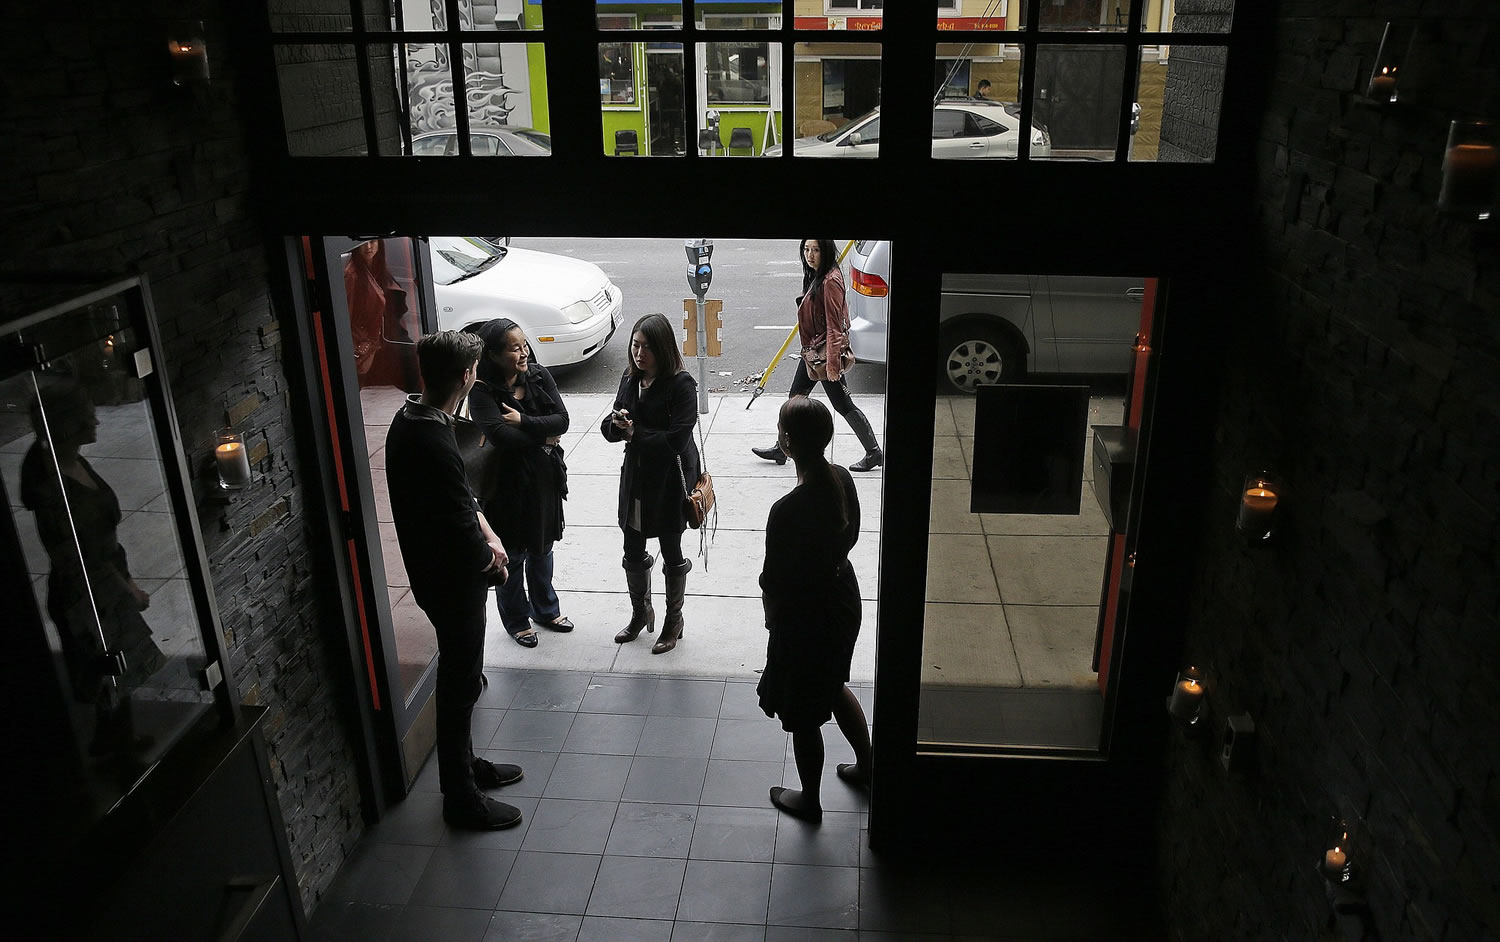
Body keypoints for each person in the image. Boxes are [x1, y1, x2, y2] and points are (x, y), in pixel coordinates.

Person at [385, 330, 524, 830]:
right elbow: (460, 524)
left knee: (462, 677)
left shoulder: (412, 418)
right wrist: (496, 564)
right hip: (450, 580)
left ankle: (466, 767)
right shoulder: (431, 438)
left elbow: (460, 499)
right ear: (467, 376)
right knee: (461, 682)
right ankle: (460, 797)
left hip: (436, 573)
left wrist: (486, 532)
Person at [21, 382, 165, 758]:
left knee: (116, 672)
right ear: (67, 424)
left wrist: (126, 580)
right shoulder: (52, 483)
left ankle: (117, 743)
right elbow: (81, 553)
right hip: (84, 592)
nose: (97, 421)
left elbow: (102, 541)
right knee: (106, 670)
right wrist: (126, 588)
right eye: (87, 416)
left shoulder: (73, 461)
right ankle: (115, 752)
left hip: (102, 585)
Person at [758, 396, 873, 824]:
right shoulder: (842, 478)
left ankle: (810, 798)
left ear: (786, 443)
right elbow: (852, 536)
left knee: (803, 711)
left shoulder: (787, 510)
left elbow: (774, 580)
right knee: (833, 684)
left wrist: (774, 621)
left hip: (805, 617)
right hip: (842, 598)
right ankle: (867, 767)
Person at [466, 318, 572, 649]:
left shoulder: (539, 375)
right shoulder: (481, 391)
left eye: (524, 344)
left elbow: (563, 421)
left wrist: (523, 421)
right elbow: (499, 436)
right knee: (511, 555)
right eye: (515, 348)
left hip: (543, 480)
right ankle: (516, 620)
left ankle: (545, 609)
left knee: (542, 548)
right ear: (494, 355)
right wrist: (542, 439)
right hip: (505, 486)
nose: (524, 352)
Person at [600, 312, 700, 655]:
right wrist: (617, 425)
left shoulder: (681, 384)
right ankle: (641, 612)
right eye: (635, 345)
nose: (639, 353)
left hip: (670, 482)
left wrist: (635, 433)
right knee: (632, 548)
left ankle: (674, 620)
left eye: (647, 347)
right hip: (638, 479)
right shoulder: (630, 379)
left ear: (663, 349)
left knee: (671, 551)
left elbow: (677, 440)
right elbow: (610, 428)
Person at [753, 239, 883, 472]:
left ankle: (873, 452)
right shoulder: (815, 275)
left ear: (826, 251)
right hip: (814, 353)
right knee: (795, 397)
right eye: (806, 250)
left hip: (825, 355)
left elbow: (835, 326)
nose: (810, 255)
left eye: (815, 250)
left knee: (843, 404)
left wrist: (833, 365)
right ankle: (781, 449)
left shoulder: (830, 281)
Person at [344, 239, 418, 391]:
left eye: (373, 241)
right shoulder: (353, 275)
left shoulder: (379, 269)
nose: (369, 247)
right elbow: (348, 316)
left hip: (387, 335)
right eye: (363, 242)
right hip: (369, 341)